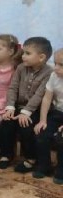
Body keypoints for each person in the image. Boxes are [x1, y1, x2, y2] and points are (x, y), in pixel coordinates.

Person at [0, 36, 53, 172]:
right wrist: (10, 107)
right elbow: (13, 88)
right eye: (23, 53)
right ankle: (6, 154)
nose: (23, 56)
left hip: (35, 109)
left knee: (26, 126)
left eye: (28, 53)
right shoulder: (21, 68)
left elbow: (39, 95)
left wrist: (25, 112)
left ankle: (30, 158)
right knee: (6, 122)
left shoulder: (49, 73)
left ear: (41, 57)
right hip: (18, 106)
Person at [33, 48, 63, 183]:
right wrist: (42, 120)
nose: (56, 68)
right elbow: (47, 98)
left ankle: (61, 170)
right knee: (42, 133)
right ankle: (44, 165)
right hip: (57, 113)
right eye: (55, 63)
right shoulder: (54, 76)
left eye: (61, 65)